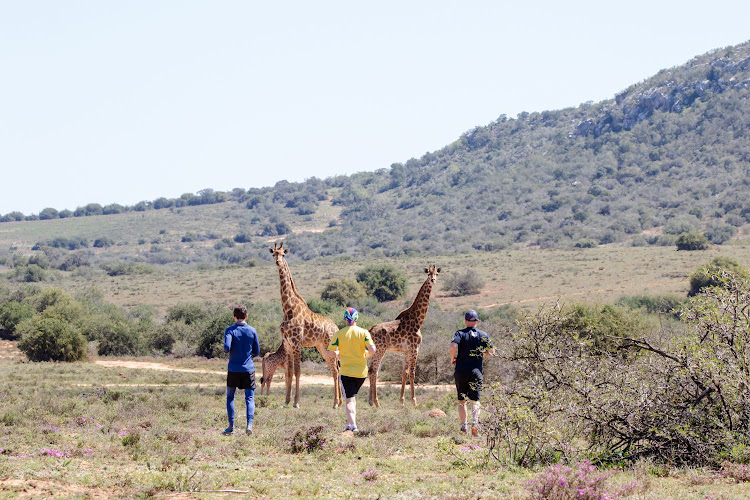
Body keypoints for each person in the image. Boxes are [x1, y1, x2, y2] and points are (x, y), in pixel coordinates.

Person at [327, 307, 376, 433]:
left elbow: (330, 353)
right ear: (356, 318)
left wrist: (338, 353)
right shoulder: (364, 332)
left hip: (346, 373)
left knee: (348, 400)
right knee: (352, 398)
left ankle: (353, 426)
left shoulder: (339, 334)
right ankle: (349, 424)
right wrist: (364, 355)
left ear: (345, 319)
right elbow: (372, 350)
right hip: (361, 373)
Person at [450, 309, 494, 437]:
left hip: (461, 371)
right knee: (476, 401)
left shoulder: (460, 333)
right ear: (477, 321)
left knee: (462, 401)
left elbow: (453, 346)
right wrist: (482, 356)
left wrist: (452, 358)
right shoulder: (483, 335)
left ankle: (464, 426)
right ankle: (475, 425)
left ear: (465, 321)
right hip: (476, 371)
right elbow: (491, 351)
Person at [222, 305, 260, 436]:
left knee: (230, 397)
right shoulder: (252, 330)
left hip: (233, 369)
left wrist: (228, 350)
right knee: (249, 398)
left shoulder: (230, 330)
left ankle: (231, 427)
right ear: (246, 316)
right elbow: (257, 351)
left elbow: (226, 347)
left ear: (234, 317)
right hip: (248, 369)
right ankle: (249, 426)